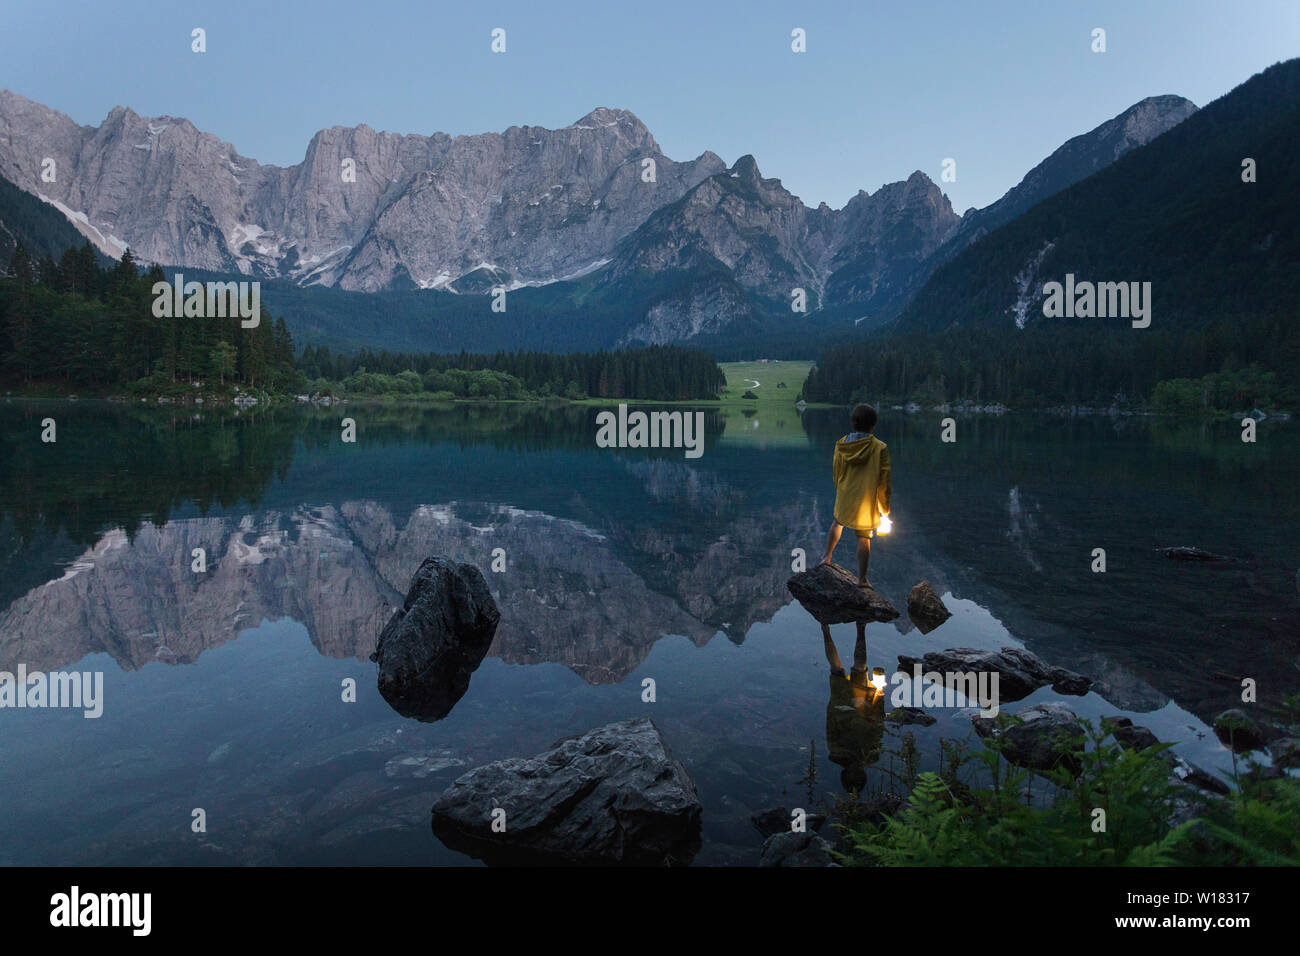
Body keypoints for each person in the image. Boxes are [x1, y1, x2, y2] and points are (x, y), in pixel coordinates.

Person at [820, 403, 891, 587]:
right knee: (864, 537)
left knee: (837, 523)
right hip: (866, 500)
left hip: (845, 493)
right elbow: (884, 481)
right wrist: (885, 508)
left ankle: (826, 558)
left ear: (852, 422)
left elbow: (836, 471)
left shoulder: (841, 445)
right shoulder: (880, 448)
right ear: (873, 425)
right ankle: (862, 579)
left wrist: (840, 489)